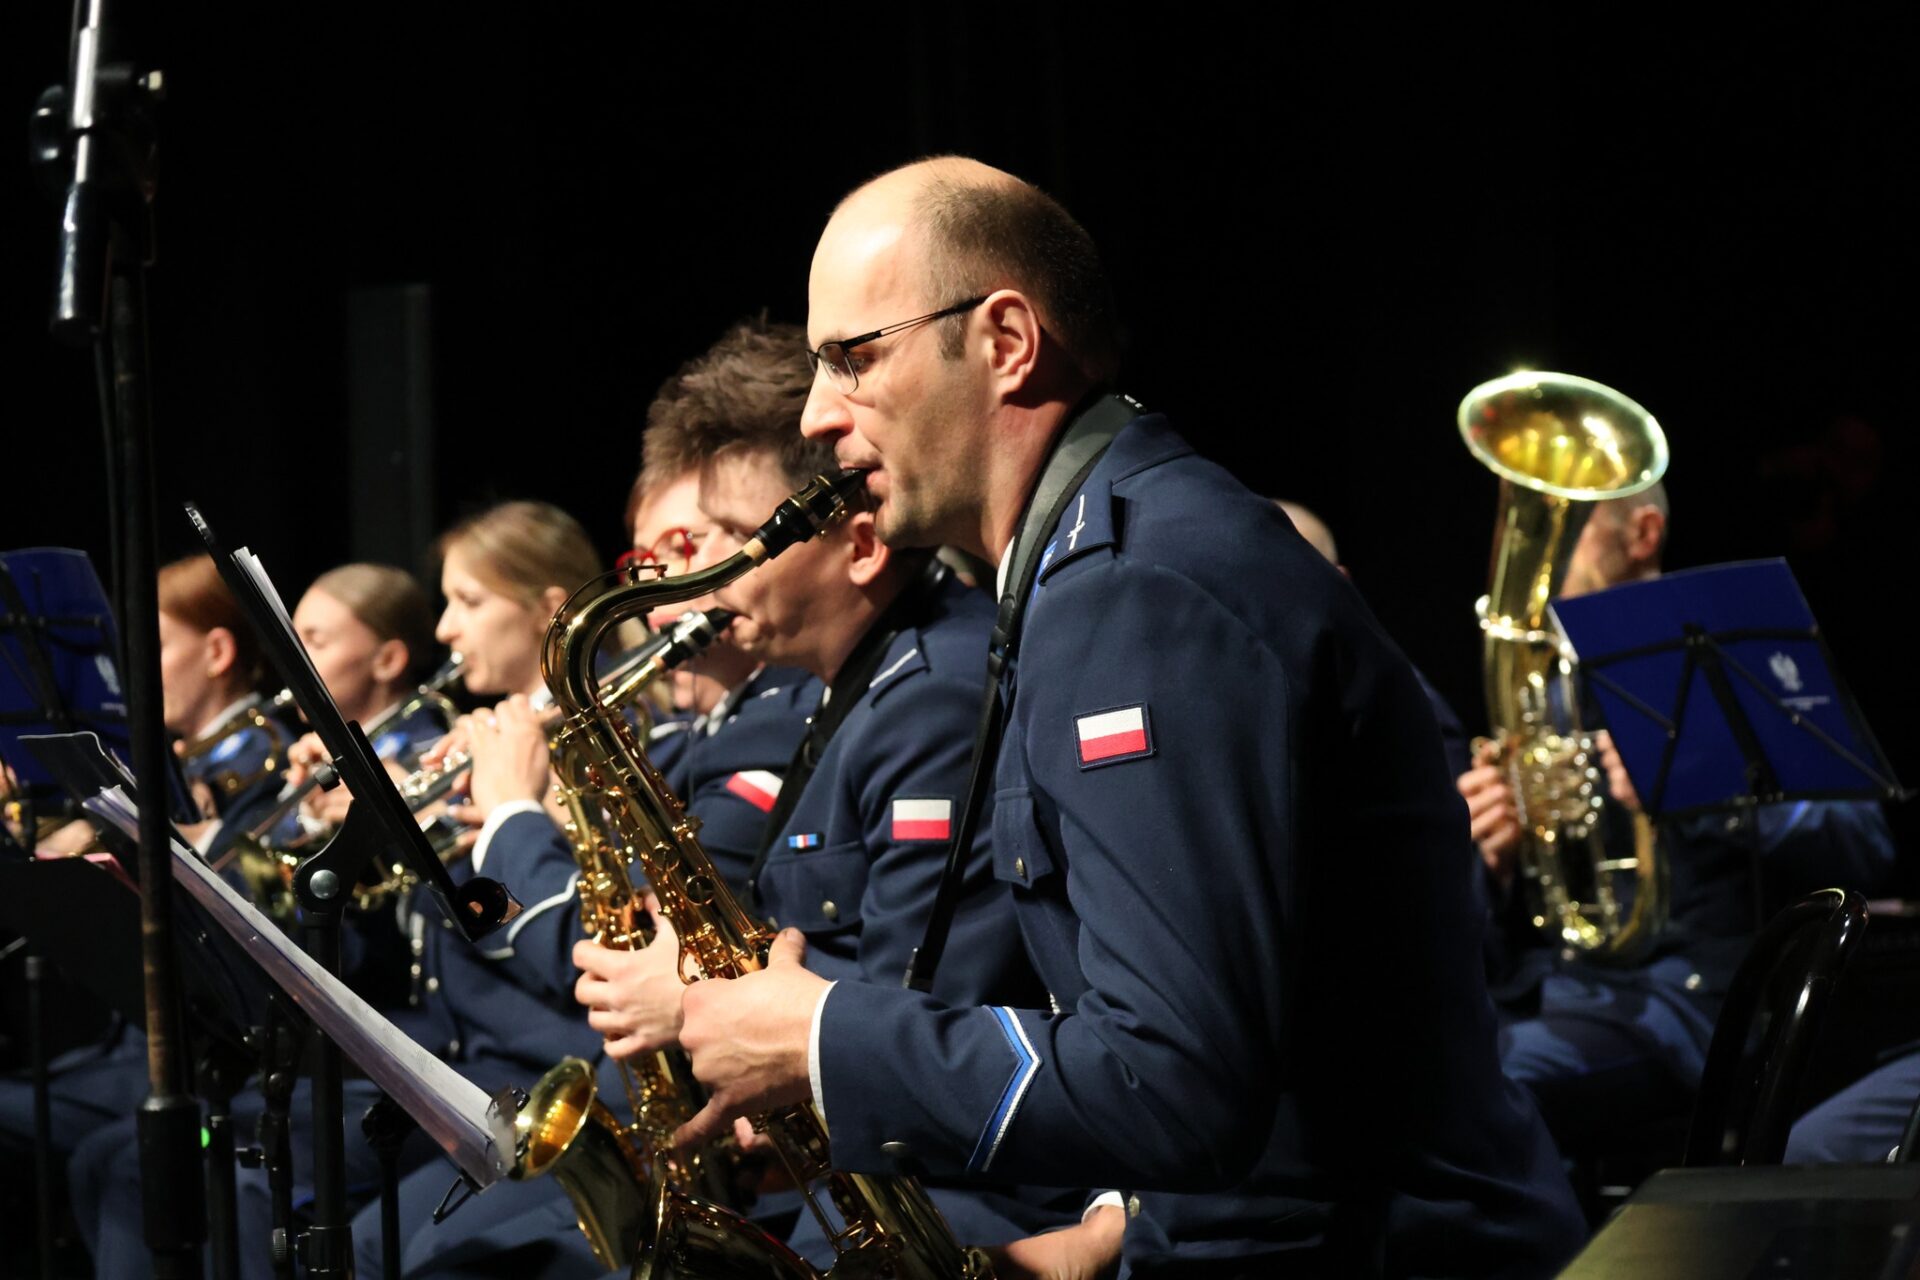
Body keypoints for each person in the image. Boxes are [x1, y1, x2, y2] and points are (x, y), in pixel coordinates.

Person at [663, 156, 1585, 1278]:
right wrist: (1098, 1241)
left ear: (1005, 340)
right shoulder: (1104, 554)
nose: (817, 416)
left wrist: (816, 1036)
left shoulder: (1132, 591)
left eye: (854, 358)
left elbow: (1176, 1079)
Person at [568, 316, 1075, 1265]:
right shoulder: (832, 695)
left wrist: (699, 1007)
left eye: (734, 544)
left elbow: (926, 999)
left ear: (859, 544)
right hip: (877, 1155)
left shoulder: (934, 694)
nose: (698, 583)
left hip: (966, 1191)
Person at [1458, 485, 1898, 1153]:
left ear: (1642, 534)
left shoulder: (1739, 662)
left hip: (1690, 1006)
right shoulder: (1546, 698)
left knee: (1484, 1087)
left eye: (1566, 531)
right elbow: (1526, 916)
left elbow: (1864, 844)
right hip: (1557, 991)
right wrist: (1495, 857)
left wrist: (1699, 789)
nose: (1537, 559)